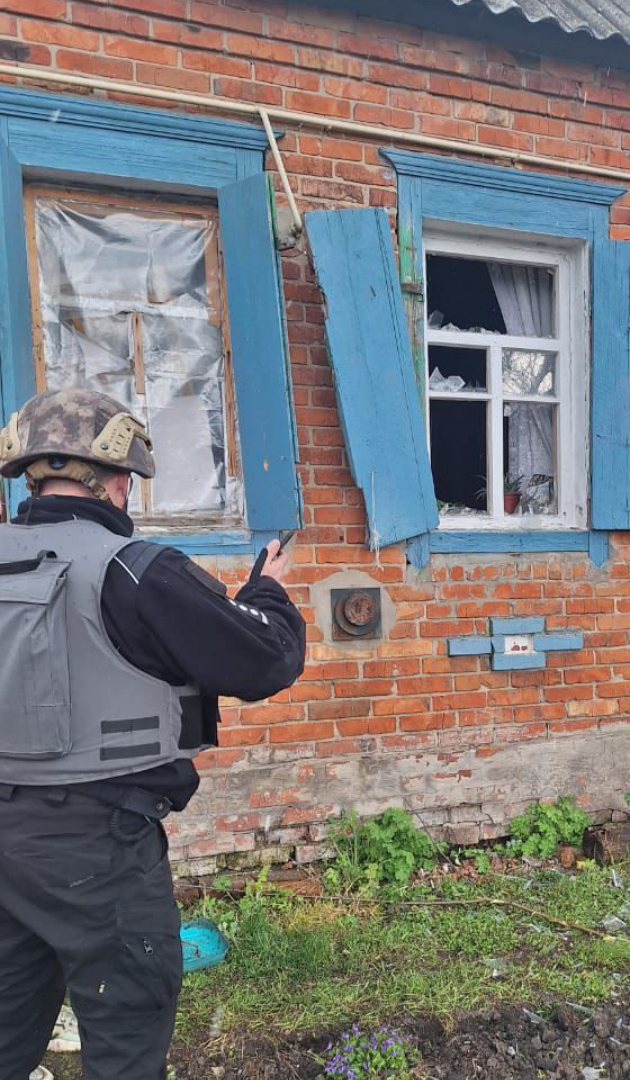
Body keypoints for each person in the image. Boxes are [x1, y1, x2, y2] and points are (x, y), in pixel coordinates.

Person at [0, 388, 306, 1080]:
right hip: (98, 847)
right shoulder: (135, 571)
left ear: (31, 478)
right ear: (116, 483)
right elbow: (265, 660)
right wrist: (267, 592)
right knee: (127, 1028)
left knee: (9, 1021)